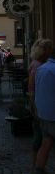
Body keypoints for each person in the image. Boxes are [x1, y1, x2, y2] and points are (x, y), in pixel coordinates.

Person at [28, 39, 53, 170]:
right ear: (45, 51)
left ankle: (37, 165)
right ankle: (36, 165)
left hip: (40, 105)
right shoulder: (38, 66)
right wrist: (34, 108)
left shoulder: (37, 63)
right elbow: (31, 89)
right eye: (50, 48)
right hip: (40, 107)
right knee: (40, 138)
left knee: (44, 138)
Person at [34, 43, 55, 173]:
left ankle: (39, 168)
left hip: (42, 112)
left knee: (46, 142)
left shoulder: (41, 68)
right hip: (53, 113)